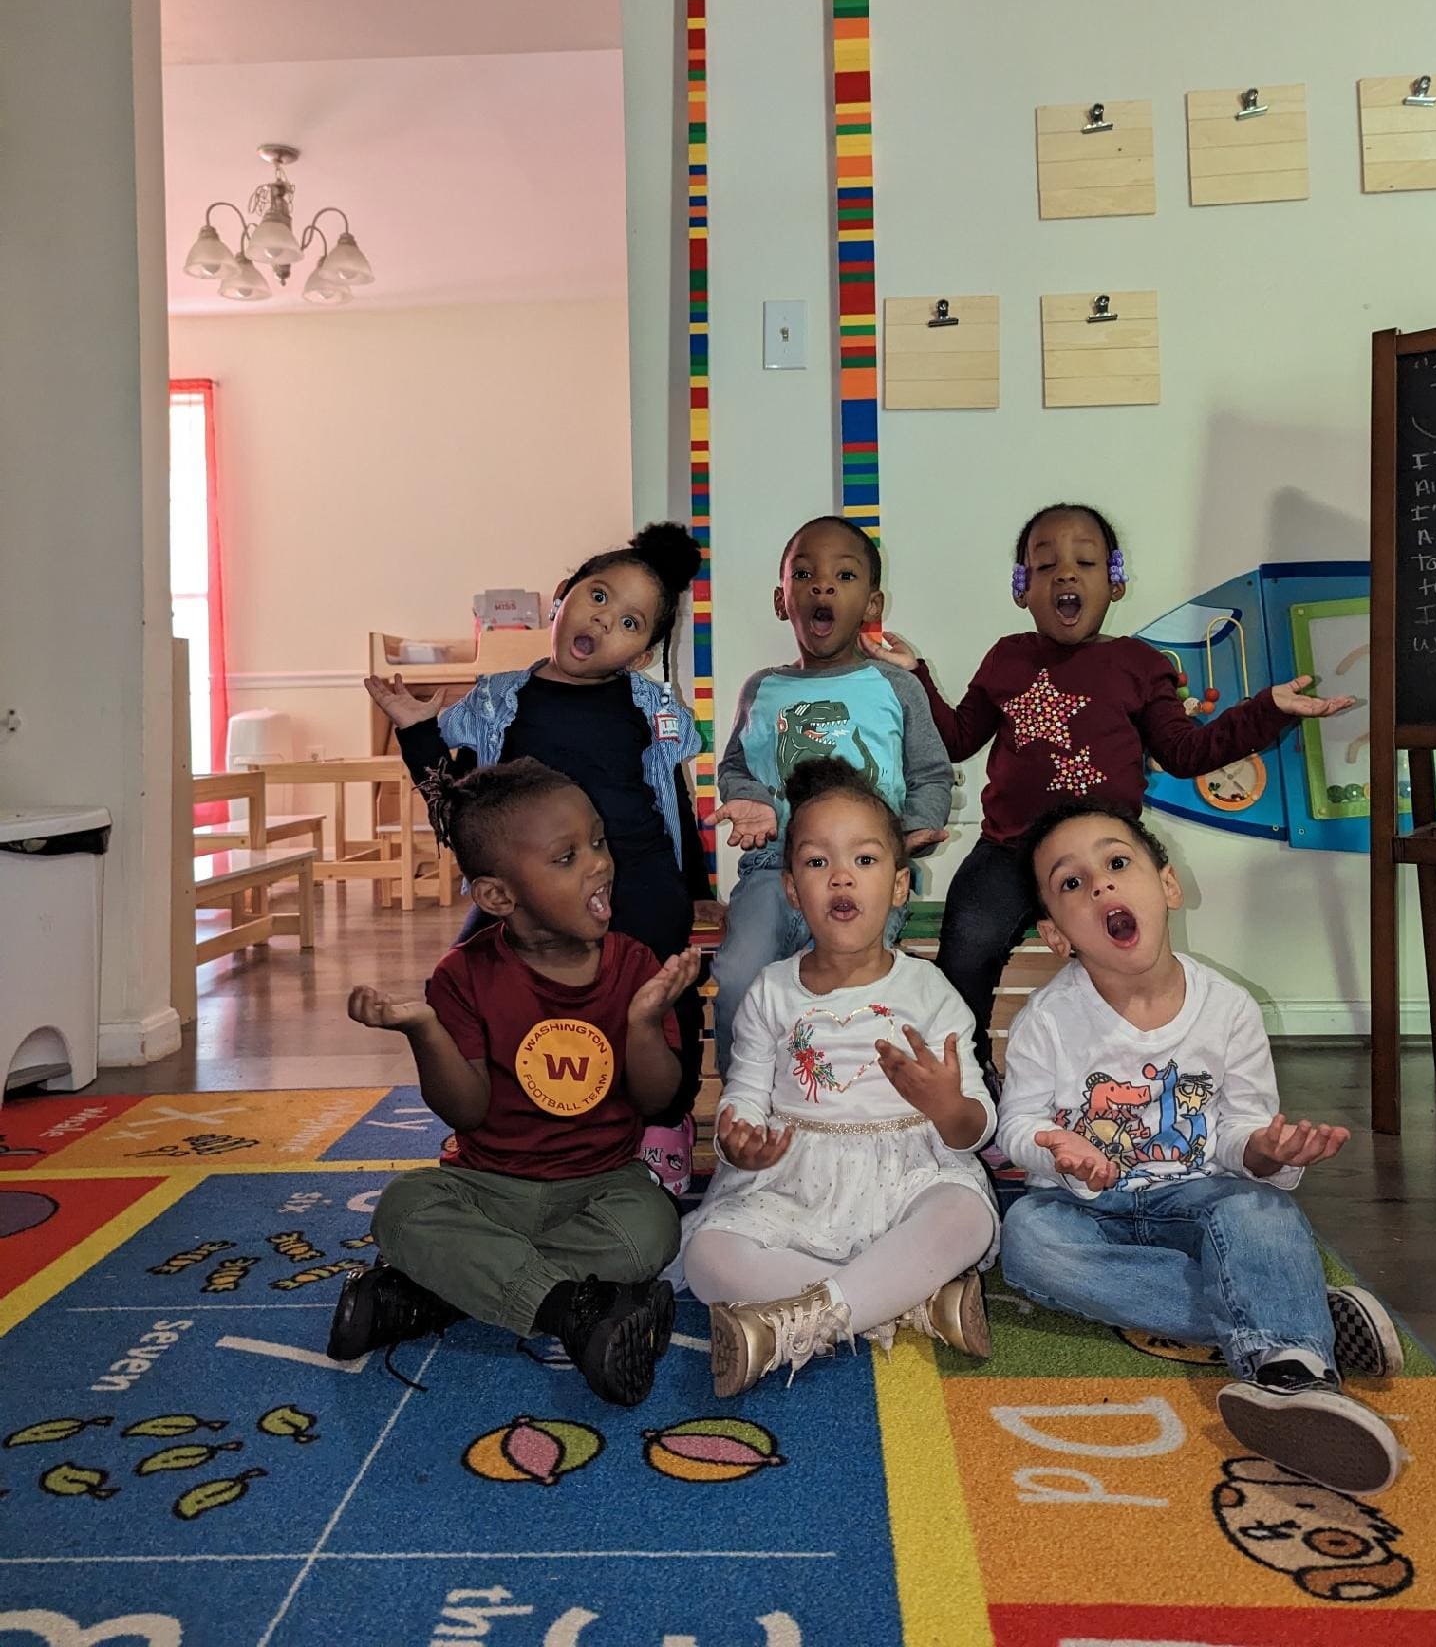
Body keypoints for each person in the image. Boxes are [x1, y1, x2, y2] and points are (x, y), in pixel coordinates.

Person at [998, 799, 1405, 1494]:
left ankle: (1292, 1380)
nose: (1100, 886)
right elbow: (1016, 1126)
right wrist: (1058, 1146)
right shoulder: (1048, 1022)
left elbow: (1243, 1138)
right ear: (1057, 934)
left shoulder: (1229, 1008)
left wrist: (1271, 1153)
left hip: (1200, 1197)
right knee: (1027, 1242)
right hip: (1089, 1210)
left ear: (1167, 886)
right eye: (1072, 883)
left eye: (1117, 863)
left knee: (1261, 1215)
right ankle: (1296, 1330)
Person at [868, 502, 1354, 1076]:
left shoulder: (1137, 663)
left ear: (1114, 582)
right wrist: (915, 671)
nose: (1066, 575)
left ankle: (1131, 1080)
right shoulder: (1007, 657)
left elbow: (1185, 752)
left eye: (1086, 562)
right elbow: (955, 738)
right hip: (1008, 850)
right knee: (963, 960)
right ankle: (973, 1086)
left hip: (1102, 858)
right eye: (1045, 566)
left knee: (1127, 964)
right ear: (1022, 588)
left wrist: (1266, 710)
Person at [327, 759, 698, 1407]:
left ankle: (430, 1296)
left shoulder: (634, 963)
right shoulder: (462, 976)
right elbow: (465, 1113)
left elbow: (657, 1099)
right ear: (499, 896)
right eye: (566, 857)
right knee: (403, 1208)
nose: (599, 865)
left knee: (653, 1231)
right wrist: (425, 1030)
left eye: (598, 842)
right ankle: (571, 1311)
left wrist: (642, 1024)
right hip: (485, 1186)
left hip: (601, 1186)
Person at [367, 521, 718, 1183]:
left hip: (635, 880)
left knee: (660, 990)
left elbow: (671, 791)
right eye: (599, 596)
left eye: (632, 622)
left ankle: (665, 1118)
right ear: (564, 595)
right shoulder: (499, 698)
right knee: (465, 978)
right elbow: (458, 806)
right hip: (529, 888)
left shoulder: (649, 704)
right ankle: (503, 1119)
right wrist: (415, 731)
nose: (606, 620)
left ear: (642, 653)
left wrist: (691, 885)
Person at [681, 756, 998, 1397]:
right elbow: (744, 1090)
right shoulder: (772, 991)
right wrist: (738, 1137)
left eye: (865, 859)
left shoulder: (931, 991)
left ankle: (803, 1320)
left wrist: (945, 1106)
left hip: (909, 1168)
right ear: (794, 891)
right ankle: (907, 1303)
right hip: (797, 1178)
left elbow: (975, 1127)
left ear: (901, 886)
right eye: (818, 862)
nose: (841, 877)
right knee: (706, 1257)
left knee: (968, 1216)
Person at [711, 515, 953, 1072]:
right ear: (782, 599)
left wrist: (911, 829)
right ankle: (744, 1104)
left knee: (851, 988)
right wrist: (751, 801)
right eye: (805, 574)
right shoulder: (762, 688)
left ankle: (853, 1111)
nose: (822, 586)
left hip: (868, 868)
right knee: (741, 976)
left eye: (844, 576)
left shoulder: (896, 686)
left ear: (872, 604)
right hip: (777, 866)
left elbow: (932, 773)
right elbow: (736, 765)